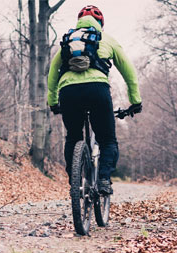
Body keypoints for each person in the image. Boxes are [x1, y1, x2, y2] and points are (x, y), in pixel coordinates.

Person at [47, 5, 142, 195]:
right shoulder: (107, 39)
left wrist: (53, 101)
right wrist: (135, 101)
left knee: (73, 137)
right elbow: (129, 72)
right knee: (107, 140)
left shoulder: (68, 41)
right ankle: (104, 179)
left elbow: (52, 74)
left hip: (68, 92)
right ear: (101, 24)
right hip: (97, 90)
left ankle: (74, 181)